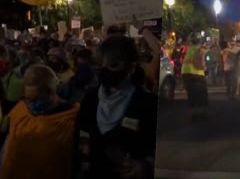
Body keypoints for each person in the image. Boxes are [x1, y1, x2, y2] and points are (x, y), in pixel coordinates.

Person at [78, 35, 157, 179]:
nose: (105, 71)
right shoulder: (90, 99)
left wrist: (144, 166)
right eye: (101, 65)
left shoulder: (147, 103)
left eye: (113, 65)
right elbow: (82, 134)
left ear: (130, 67)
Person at [0, 64, 80, 179]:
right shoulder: (21, 109)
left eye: (37, 98)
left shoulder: (70, 119)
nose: (32, 103)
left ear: (51, 92)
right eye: (28, 98)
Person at [181, 37, 208, 107]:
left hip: (185, 71)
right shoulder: (201, 50)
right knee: (203, 89)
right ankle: (201, 106)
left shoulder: (189, 49)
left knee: (190, 91)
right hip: (197, 73)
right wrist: (205, 69)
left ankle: (192, 104)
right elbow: (201, 62)